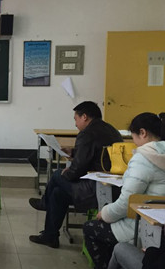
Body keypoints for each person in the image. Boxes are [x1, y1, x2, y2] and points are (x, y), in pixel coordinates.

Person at [70, 112, 165, 269]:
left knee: (91, 228)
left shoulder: (144, 157)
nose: (134, 142)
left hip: (142, 226)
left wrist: (105, 213)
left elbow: (126, 203)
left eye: (134, 137)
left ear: (143, 133)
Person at [29, 101, 123, 248]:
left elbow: (77, 170)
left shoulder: (87, 134)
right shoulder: (111, 130)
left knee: (57, 175)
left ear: (84, 117)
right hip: (113, 188)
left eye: (76, 119)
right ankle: (50, 236)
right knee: (58, 193)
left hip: (95, 189)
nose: (75, 124)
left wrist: (67, 173)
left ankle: (44, 204)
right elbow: (95, 154)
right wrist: (73, 152)